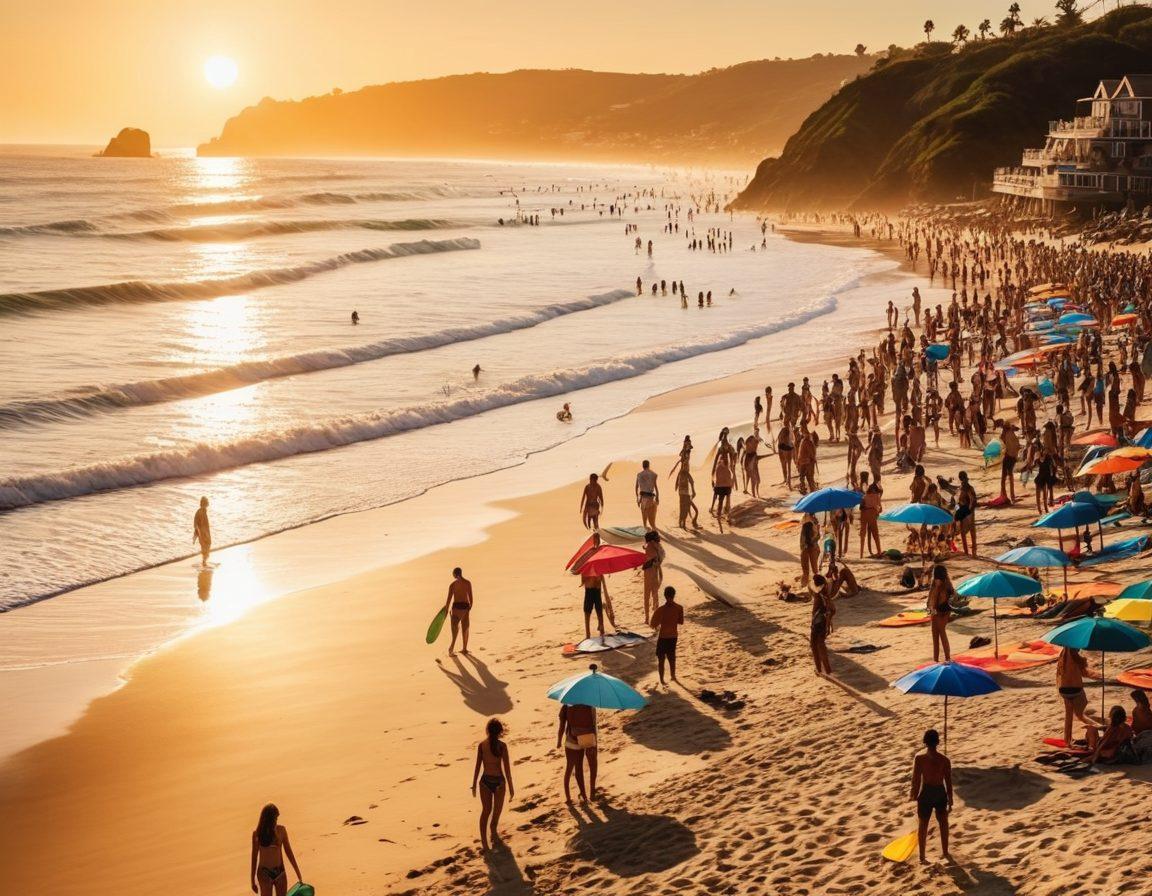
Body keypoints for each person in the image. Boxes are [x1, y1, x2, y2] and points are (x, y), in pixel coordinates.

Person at [910, 729, 953, 864]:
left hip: (926, 793)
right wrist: (950, 799)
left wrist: (914, 794)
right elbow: (948, 781)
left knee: (923, 825)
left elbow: (916, 779)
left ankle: (922, 856)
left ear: (925, 742)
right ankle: (945, 852)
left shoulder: (919, 759)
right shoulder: (945, 760)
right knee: (943, 823)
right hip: (940, 792)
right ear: (938, 743)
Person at [471, 718, 514, 850]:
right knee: (496, 810)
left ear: (488, 730)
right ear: (500, 731)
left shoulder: (481, 745)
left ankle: (484, 839)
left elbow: (477, 767)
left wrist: (473, 784)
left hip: (485, 782)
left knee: (486, 811)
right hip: (499, 782)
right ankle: (493, 830)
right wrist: (511, 787)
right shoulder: (502, 746)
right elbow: (507, 769)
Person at [250, 804, 303, 896]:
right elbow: (254, 857)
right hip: (264, 874)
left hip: (280, 873)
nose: (276, 821)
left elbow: (289, 852)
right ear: (268, 819)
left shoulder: (281, 830)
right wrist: (252, 880)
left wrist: (298, 873)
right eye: (275, 819)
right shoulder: (257, 834)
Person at [1056, 646, 1101, 746]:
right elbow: (1084, 673)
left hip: (1063, 689)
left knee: (1069, 715)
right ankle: (1096, 726)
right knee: (1081, 711)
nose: (1079, 649)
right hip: (1075, 690)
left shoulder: (1063, 654)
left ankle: (1067, 739)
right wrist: (1095, 673)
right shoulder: (1076, 657)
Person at [557, 702, 598, 801]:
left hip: (572, 738)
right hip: (588, 737)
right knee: (593, 765)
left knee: (577, 767)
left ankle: (582, 795)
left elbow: (562, 725)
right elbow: (593, 724)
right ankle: (592, 791)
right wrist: (595, 742)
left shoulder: (567, 705)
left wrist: (559, 740)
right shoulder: (590, 704)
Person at [650, 585, 684, 685]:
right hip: (673, 636)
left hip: (663, 637)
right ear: (674, 595)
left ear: (665, 596)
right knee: (672, 656)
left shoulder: (660, 610)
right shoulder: (679, 608)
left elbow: (653, 624)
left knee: (661, 658)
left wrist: (661, 621)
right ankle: (673, 676)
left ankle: (662, 679)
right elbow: (680, 621)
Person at [926, 564, 953, 663]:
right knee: (940, 633)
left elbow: (932, 600)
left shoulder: (937, 584)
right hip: (944, 611)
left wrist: (931, 611)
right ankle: (945, 658)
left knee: (937, 635)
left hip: (938, 612)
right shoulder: (947, 583)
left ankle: (939, 659)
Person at [444, 567, 473, 656]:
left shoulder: (452, 585)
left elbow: (448, 599)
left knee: (454, 629)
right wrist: (469, 608)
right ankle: (464, 649)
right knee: (465, 628)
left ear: (455, 574)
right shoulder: (468, 583)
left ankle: (451, 649)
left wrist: (446, 611)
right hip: (465, 607)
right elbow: (471, 598)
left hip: (456, 608)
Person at [809, 574, 834, 675]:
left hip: (818, 622)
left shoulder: (819, 595)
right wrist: (829, 624)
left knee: (815, 645)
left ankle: (820, 669)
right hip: (823, 621)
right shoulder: (825, 595)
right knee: (820, 645)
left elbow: (815, 611)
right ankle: (827, 670)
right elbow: (832, 610)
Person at [580, 568, 609, 640]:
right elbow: (600, 579)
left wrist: (585, 579)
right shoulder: (598, 564)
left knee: (587, 611)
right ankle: (601, 630)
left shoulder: (586, 566)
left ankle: (588, 634)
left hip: (589, 589)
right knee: (599, 609)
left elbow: (583, 581)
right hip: (597, 589)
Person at [642, 530, 664, 620]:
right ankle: (655, 616)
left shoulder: (650, 546)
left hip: (649, 572)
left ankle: (647, 618)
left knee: (647, 595)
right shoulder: (658, 547)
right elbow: (659, 558)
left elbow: (649, 558)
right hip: (655, 572)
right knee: (655, 594)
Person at [636, 460, 660, 530]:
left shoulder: (639, 474)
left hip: (643, 498)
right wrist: (658, 496)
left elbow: (636, 487)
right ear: (649, 465)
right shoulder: (654, 474)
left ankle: (648, 533)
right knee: (652, 522)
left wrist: (638, 498)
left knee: (645, 520)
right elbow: (655, 486)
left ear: (643, 466)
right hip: (651, 498)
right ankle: (653, 534)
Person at [193, 496, 212, 566]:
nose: (208, 504)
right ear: (203, 503)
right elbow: (195, 523)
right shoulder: (200, 512)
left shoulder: (203, 511)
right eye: (207, 502)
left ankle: (204, 560)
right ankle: (204, 560)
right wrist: (197, 532)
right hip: (202, 532)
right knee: (205, 545)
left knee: (207, 544)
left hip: (205, 531)